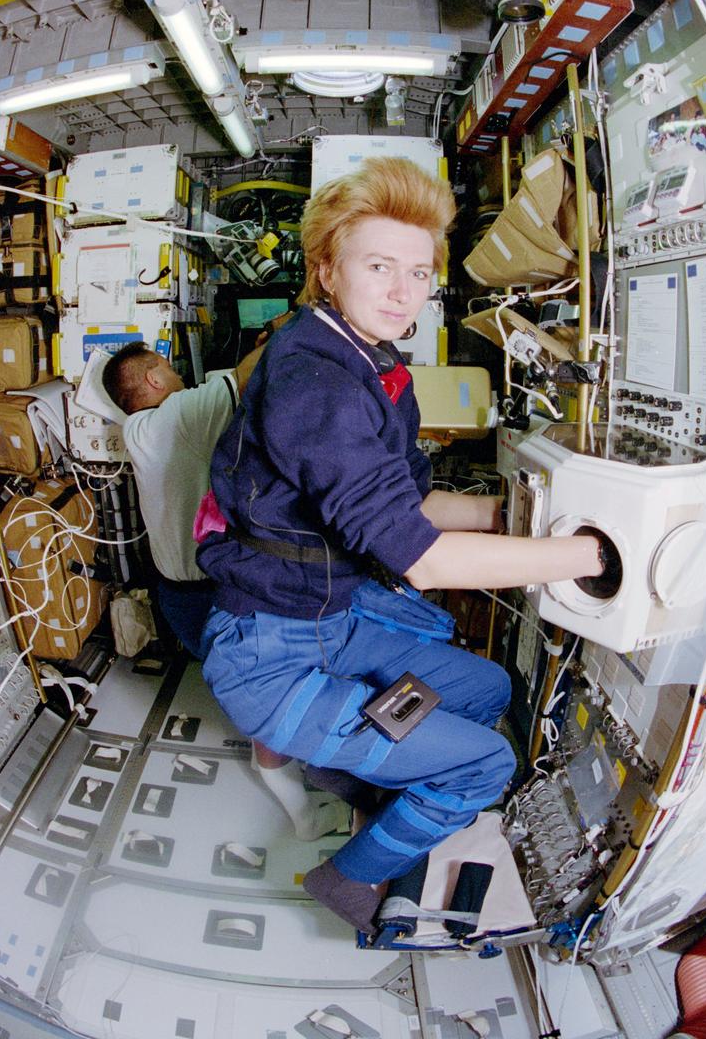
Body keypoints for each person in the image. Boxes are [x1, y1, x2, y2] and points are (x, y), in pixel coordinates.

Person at [196, 157, 606, 932]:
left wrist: (513, 518)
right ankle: (349, 879)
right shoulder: (313, 377)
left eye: (417, 273)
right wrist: (588, 557)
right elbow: (421, 554)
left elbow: (414, 501)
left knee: (485, 692)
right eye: (378, 266)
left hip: (328, 619)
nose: (400, 292)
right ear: (326, 269)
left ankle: (378, 771)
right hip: (267, 654)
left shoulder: (375, 364)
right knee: (488, 763)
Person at [101, 337, 348, 842]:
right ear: (152, 380)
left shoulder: (141, 430)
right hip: (203, 597)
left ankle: (299, 770)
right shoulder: (168, 418)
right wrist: (303, 319)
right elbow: (241, 377)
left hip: (180, 591)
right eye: (168, 370)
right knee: (266, 702)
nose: (177, 377)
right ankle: (304, 818)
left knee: (264, 694)